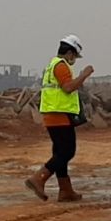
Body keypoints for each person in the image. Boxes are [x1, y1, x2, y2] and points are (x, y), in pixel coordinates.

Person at [25, 34, 94, 203]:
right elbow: (68, 88)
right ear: (70, 53)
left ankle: (65, 190)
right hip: (59, 115)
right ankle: (39, 178)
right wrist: (84, 75)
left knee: (60, 152)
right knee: (67, 151)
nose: (75, 60)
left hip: (53, 114)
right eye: (75, 56)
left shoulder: (52, 65)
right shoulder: (61, 66)